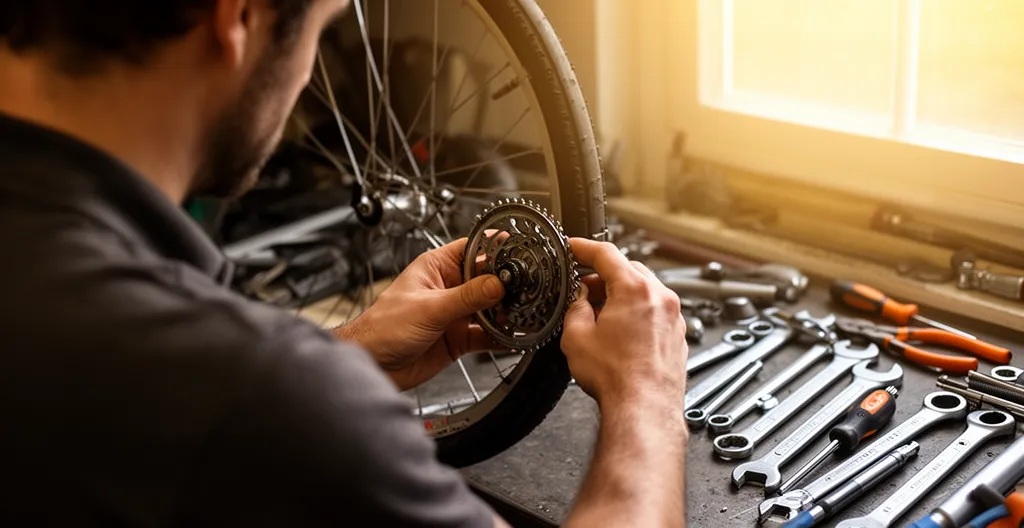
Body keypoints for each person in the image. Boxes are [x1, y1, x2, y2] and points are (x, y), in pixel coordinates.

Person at [0, 0, 689, 526]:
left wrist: (346, 360)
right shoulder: (250, 394)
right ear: (236, 16)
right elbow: (225, 411)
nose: (304, 80)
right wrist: (649, 401)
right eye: (319, 33)